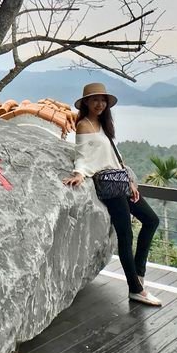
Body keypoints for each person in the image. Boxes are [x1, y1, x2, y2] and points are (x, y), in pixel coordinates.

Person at [63, 82, 163, 306]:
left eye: (103, 100)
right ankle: (136, 289)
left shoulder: (103, 124)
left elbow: (114, 156)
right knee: (125, 236)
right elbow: (82, 155)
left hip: (121, 181)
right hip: (108, 186)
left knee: (151, 220)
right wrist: (79, 173)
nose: (100, 104)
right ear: (86, 102)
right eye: (95, 100)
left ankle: (139, 272)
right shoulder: (84, 125)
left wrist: (130, 181)